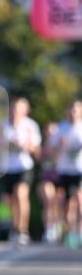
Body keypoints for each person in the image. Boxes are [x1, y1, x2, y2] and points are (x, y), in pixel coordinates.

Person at [0, 97, 41, 246]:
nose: (14, 112)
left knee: (21, 195)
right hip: (6, 168)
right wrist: (5, 144)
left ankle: (23, 230)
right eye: (12, 109)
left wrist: (26, 146)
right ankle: (15, 228)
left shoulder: (30, 125)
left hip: (23, 166)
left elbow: (37, 150)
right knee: (11, 201)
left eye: (18, 109)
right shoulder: (3, 125)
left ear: (25, 111)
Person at [53, 99, 82, 249]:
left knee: (80, 199)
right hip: (64, 170)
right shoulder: (61, 129)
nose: (73, 112)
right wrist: (59, 146)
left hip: (79, 170)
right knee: (67, 204)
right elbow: (50, 151)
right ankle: (70, 232)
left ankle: (80, 231)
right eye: (70, 109)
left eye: (75, 109)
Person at [37, 123, 63, 243]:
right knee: (49, 200)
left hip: (61, 176)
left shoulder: (62, 145)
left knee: (58, 203)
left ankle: (58, 225)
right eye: (48, 132)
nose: (50, 134)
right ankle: (48, 228)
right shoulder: (43, 146)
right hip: (46, 177)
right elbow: (37, 157)